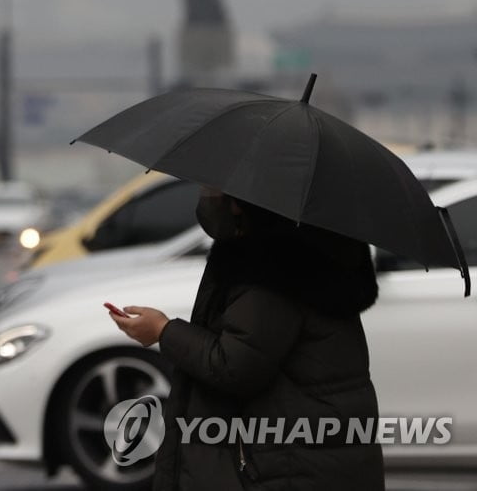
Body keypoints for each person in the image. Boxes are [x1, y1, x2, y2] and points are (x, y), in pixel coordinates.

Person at [109, 186, 385, 491]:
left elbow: (234, 366)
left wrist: (163, 330)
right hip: (304, 459)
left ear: (241, 203)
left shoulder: (275, 272)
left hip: (281, 465)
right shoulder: (313, 253)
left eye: (213, 189)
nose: (206, 197)